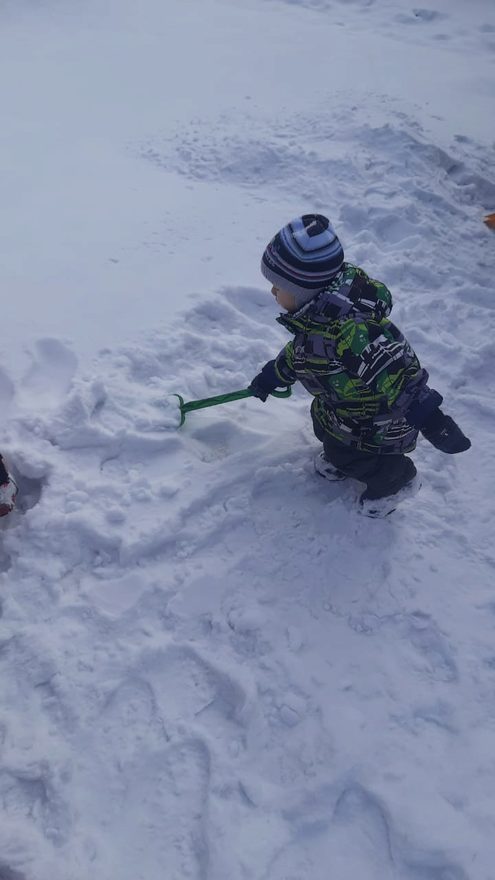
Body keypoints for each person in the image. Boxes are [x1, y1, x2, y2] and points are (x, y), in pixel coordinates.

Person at [249, 214, 470, 517]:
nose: (273, 292)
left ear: (305, 290)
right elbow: (303, 353)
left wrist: (434, 421)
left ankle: (396, 480)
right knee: (323, 426)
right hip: (342, 407)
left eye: (278, 286)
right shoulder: (316, 318)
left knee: (348, 452)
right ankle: (340, 456)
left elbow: (399, 378)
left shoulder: (354, 333)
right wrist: (275, 374)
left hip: (377, 422)